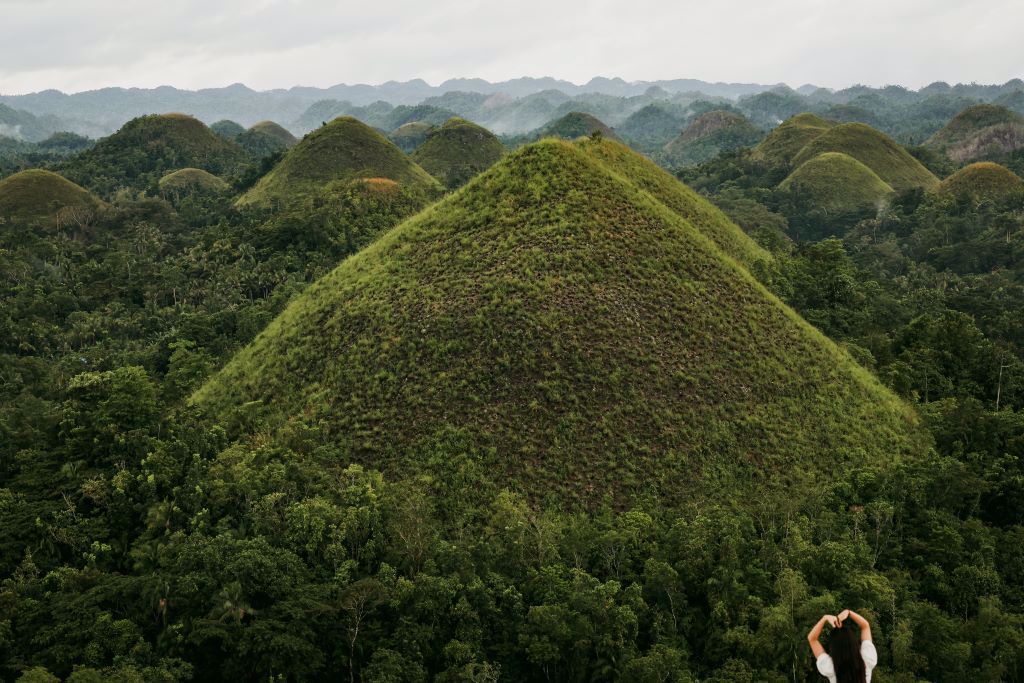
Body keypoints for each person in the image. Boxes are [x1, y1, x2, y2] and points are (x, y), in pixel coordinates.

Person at [807, 609, 878, 683]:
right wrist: (849, 612)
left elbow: (812, 639)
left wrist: (824, 618)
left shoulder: (830, 667)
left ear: (833, 647)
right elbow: (865, 626)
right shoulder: (867, 659)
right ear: (853, 642)